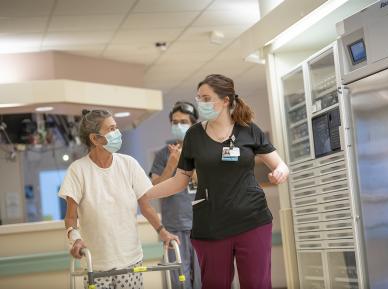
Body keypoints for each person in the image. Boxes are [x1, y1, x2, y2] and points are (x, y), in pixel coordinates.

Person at [139, 74, 290, 289]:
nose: (201, 103)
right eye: (198, 98)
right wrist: (145, 193)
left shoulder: (249, 130)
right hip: (211, 227)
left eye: (206, 98)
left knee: (257, 284)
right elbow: (179, 181)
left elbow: (280, 165)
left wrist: (280, 173)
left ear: (225, 100)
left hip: (252, 220)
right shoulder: (194, 136)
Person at [58, 109, 179, 289]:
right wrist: (75, 238)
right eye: (111, 129)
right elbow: (70, 216)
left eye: (116, 128)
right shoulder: (78, 170)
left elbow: (146, 205)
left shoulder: (128, 164)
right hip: (96, 264)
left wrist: (162, 231)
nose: (118, 133)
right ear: (95, 139)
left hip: (130, 259)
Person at [149, 101, 201, 289]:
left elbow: (210, 183)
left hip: (203, 225)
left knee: (204, 280)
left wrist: (185, 162)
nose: (178, 126)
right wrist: (172, 164)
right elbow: (154, 189)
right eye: (175, 122)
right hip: (174, 229)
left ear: (193, 123)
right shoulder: (163, 154)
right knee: (180, 282)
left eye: (183, 121)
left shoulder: (204, 150)